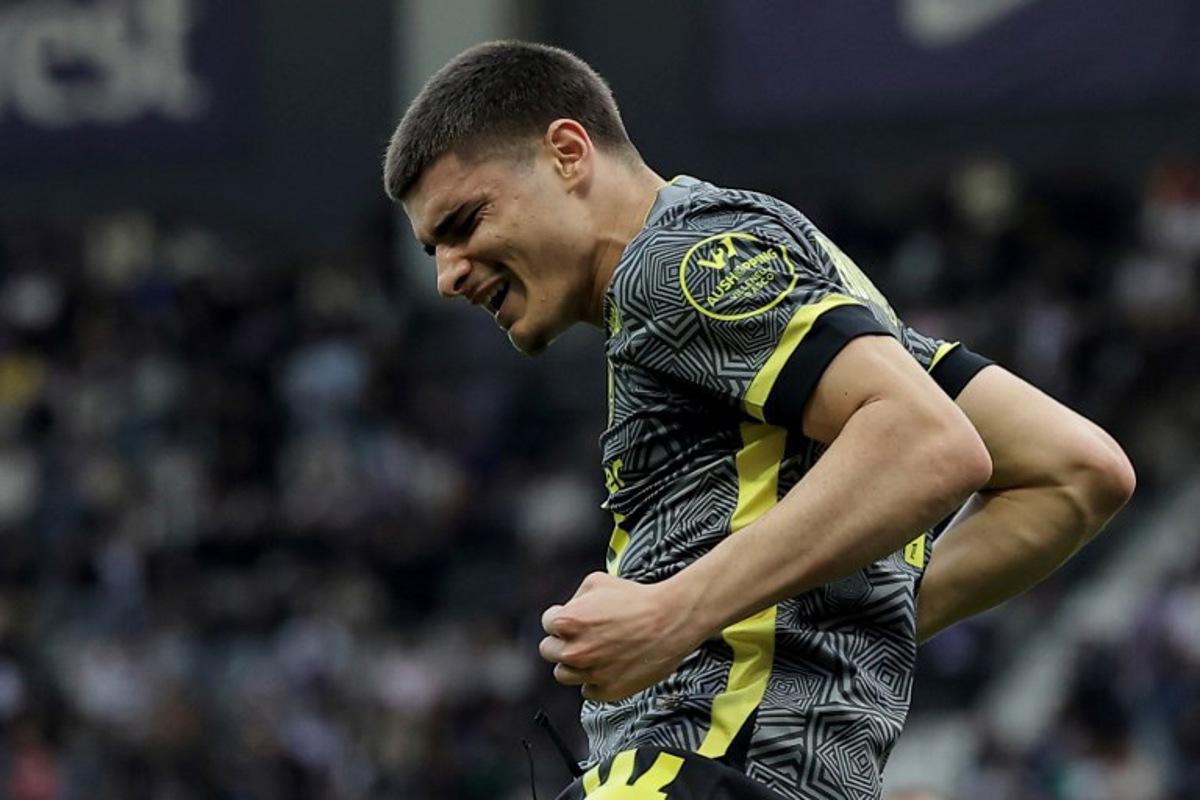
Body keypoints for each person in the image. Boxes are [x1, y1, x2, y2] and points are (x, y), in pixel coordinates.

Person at [383, 41, 1136, 800]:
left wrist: (676, 613)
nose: (447, 275)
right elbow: (1073, 470)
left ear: (568, 154)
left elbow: (928, 444)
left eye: (465, 221)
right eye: (433, 247)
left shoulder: (679, 263)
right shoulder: (791, 282)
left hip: (700, 761)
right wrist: (822, 628)